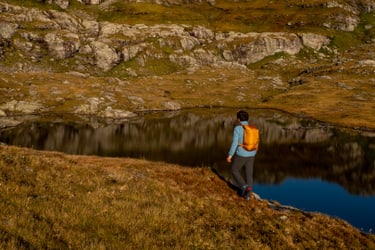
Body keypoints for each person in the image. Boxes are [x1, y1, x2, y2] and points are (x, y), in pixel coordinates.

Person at [226, 110, 257, 200]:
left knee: (234, 170)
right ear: (247, 119)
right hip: (252, 153)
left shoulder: (238, 128)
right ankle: (248, 195)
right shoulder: (253, 128)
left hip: (242, 154)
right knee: (249, 173)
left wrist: (230, 155)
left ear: (238, 119)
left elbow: (235, 143)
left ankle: (243, 186)